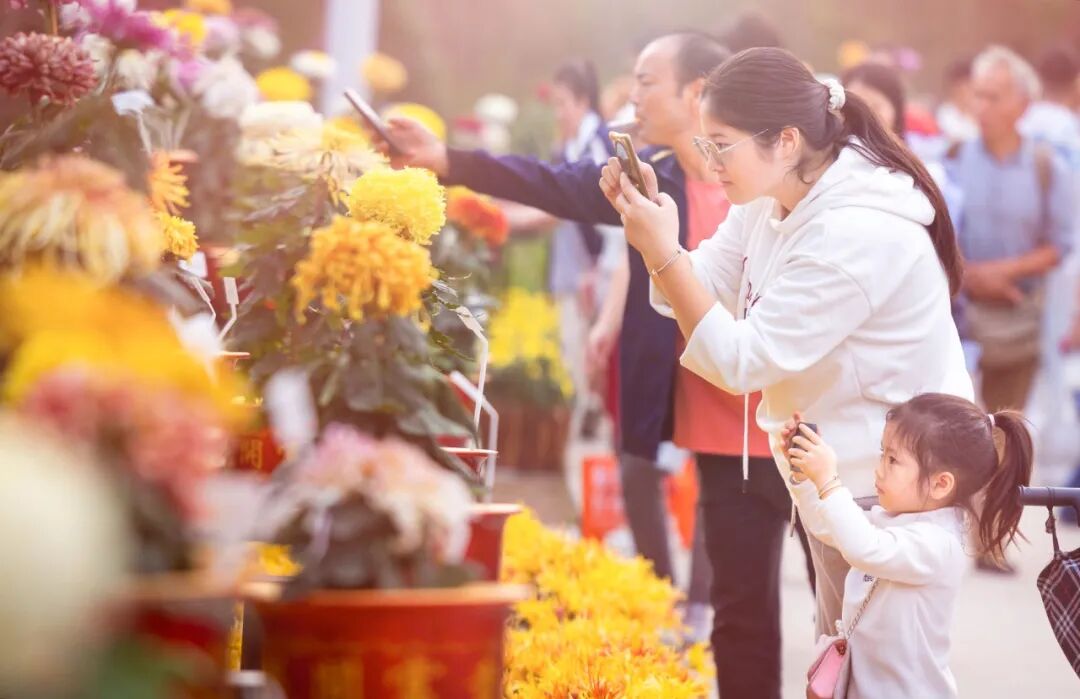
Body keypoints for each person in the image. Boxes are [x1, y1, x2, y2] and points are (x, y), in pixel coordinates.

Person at [387, 33, 809, 697]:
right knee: (736, 602)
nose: (632, 94)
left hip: (765, 412)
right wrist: (447, 159)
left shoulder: (766, 188)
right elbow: (554, 184)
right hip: (695, 401)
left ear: (697, 93)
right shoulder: (655, 172)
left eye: (647, 81)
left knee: (759, 596)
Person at [600, 46, 973, 651]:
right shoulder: (776, 196)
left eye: (721, 143)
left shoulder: (855, 230)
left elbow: (742, 362)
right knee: (840, 662)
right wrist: (655, 238)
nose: (708, 161)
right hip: (838, 472)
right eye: (704, 143)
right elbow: (702, 286)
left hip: (890, 490)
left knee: (882, 675)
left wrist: (661, 251)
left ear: (787, 140)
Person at [784, 393, 1033, 698]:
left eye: (893, 460)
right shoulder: (901, 518)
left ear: (940, 484)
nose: (880, 468)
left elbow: (864, 548)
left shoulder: (939, 544)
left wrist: (828, 479)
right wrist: (806, 475)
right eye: (882, 454)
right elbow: (829, 527)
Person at [945, 46, 1073, 418]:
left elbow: (1060, 244)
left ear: (1022, 105)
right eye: (977, 94)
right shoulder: (952, 159)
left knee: (1005, 431)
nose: (980, 105)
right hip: (960, 322)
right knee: (957, 430)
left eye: (993, 97)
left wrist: (1004, 272)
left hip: (1018, 323)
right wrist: (970, 277)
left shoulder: (1046, 166)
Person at [843, 61, 906, 137]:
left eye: (875, 107)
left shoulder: (919, 147)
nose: (864, 117)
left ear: (896, 108)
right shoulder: (829, 147)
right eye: (854, 108)